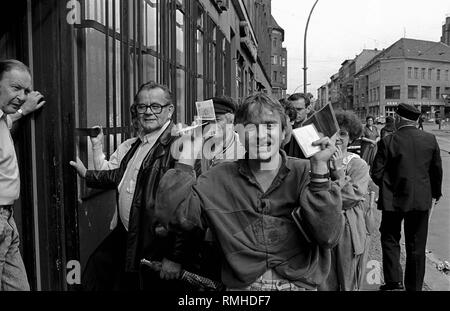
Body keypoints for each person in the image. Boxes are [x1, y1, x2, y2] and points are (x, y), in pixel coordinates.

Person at [155, 92, 344, 291]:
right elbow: (175, 219)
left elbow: (328, 236)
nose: (261, 135)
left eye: (269, 125)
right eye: (250, 127)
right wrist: (186, 157)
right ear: (238, 132)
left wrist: (321, 169)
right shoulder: (218, 178)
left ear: (283, 133)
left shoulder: (305, 172)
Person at [70, 82, 187, 291]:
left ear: (170, 110)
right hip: (128, 233)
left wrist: (174, 256)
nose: (148, 112)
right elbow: (119, 174)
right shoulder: (138, 144)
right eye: (142, 106)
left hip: (153, 244)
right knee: (97, 273)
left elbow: (184, 208)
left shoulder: (178, 146)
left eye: (155, 106)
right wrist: (86, 174)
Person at [371, 103, 443, 291]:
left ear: (397, 118)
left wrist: (388, 188)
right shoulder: (430, 139)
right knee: (417, 244)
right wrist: (435, 194)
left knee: (389, 238)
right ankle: (415, 287)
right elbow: (436, 172)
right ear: (417, 120)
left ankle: (394, 281)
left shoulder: (388, 141)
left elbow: (376, 173)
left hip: (392, 201)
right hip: (420, 200)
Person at [0, 59, 45, 291]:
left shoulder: (3, 118)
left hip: (7, 217)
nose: (22, 95)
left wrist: (21, 111)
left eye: (26, 90)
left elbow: (7, 120)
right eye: (15, 88)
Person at [319, 110, 375, 291]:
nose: (338, 138)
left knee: (348, 279)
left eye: (343, 134)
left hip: (347, 229)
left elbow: (352, 197)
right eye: (335, 132)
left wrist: (338, 173)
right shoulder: (318, 161)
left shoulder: (358, 164)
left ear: (351, 138)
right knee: (324, 280)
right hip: (323, 227)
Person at [283, 93, 311, 158]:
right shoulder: (284, 132)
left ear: (308, 109)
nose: (295, 113)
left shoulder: (315, 132)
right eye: (292, 110)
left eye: (299, 109)